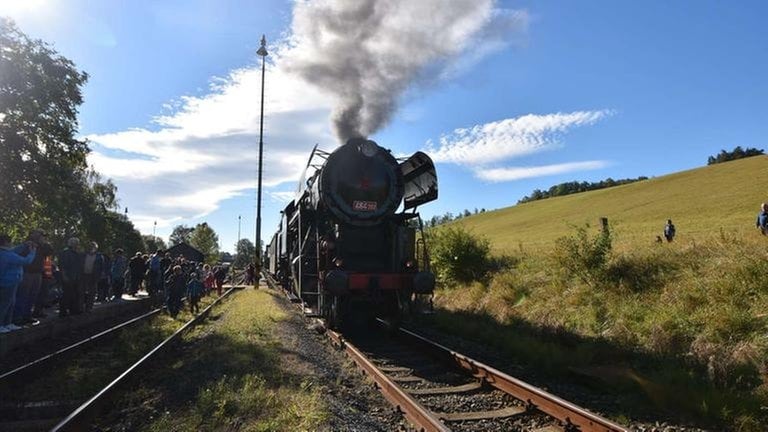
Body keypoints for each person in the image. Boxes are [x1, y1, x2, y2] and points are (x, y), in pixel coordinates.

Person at [14, 230, 53, 325]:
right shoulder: (26, 244)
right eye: (40, 235)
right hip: (27, 273)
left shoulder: (43, 246)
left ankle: (27, 315)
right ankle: (18, 317)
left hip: (38, 274)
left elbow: (50, 252)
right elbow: (18, 255)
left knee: (33, 295)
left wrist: (43, 244)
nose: (42, 237)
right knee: (23, 295)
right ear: (33, 234)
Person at [0, 235, 36, 332]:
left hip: (11, 282)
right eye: (9, 242)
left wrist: (24, 245)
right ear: (5, 243)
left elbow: (14, 250)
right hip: (7, 282)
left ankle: (7, 323)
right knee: (5, 304)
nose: (11, 243)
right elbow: (26, 261)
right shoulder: (7, 255)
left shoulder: (5, 252)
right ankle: (1, 324)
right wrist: (32, 252)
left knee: (11, 303)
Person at [58, 237, 83, 317]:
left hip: (76, 277)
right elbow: (63, 265)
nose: (78, 245)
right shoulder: (66, 253)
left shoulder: (76, 253)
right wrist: (64, 275)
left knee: (74, 294)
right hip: (69, 276)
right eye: (76, 243)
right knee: (66, 294)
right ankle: (63, 311)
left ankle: (73, 310)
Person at [81, 242, 104, 312]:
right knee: (82, 291)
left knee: (92, 292)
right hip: (84, 275)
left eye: (93, 247)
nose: (91, 248)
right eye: (90, 247)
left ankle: (89, 307)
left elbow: (101, 268)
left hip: (93, 276)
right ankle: (81, 306)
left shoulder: (99, 257)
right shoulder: (83, 255)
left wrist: (99, 276)